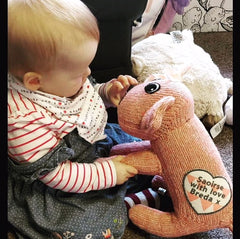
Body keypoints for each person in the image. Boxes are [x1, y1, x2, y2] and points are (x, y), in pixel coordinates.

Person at [8, 0, 165, 238]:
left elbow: (86, 95)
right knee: (87, 226)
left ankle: (136, 189)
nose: (88, 73)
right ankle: (131, 202)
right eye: (79, 72)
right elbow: (57, 175)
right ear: (34, 82)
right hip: (56, 179)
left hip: (91, 140)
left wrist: (108, 93)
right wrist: (108, 173)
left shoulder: (58, 80)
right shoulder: (21, 122)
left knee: (151, 145)